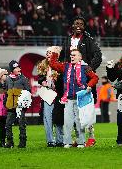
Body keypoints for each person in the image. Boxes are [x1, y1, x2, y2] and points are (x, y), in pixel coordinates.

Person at [59, 16, 102, 147]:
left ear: (84, 27)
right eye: (76, 23)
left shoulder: (88, 40)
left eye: (81, 24)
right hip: (69, 81)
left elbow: (98, 55)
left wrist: (90, 67)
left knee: (85, 110)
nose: (78, 25)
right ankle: (77, 139)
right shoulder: (67, 40)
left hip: (84, 80)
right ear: (72, 25)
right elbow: (62, 57)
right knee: (71, 113)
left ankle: (91, 137)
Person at [49, 49, 99, 148]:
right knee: (67, 121)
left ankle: (81, 142)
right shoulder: (65, 66)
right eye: (71, 55)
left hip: (80, 99)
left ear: (80, 57)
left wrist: (89, 85)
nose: (72, 57)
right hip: (68, 99)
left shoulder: (85, 68)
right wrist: (55, 53)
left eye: (74, 55)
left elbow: (95, 77)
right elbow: (52, 64)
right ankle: (67, 142)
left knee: (79, 121)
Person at [37, 46, 64, 147]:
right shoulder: (43, 65)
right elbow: (40, 78)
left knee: (58, 118)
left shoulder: (60, 65)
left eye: (50, 52)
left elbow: (63, 80)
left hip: (58, 94)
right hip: (48, 94)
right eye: (47, 52)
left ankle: (59, 140)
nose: (47, 54)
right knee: (47, 118)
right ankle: (50, 140)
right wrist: (42, 81)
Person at [5, 60, 31, 148]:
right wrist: (6, 102)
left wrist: (24, 103)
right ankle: (9, 142)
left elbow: (28, 92)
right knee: (8, 124)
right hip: (10, 105)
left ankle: (22, 142)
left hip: (20, 106)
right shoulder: (8, 79)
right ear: (12, 70)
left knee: (21, 124)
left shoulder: (24, 79)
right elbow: (5, 91)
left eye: (19, 67)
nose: (18, 69)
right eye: (16, 68)